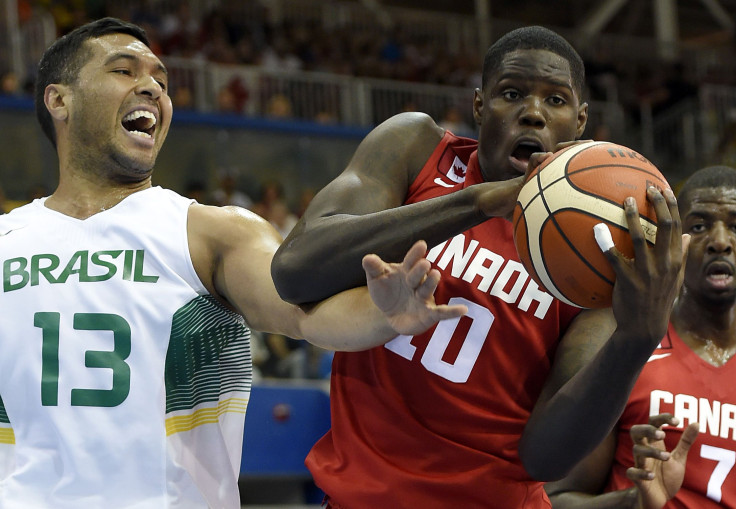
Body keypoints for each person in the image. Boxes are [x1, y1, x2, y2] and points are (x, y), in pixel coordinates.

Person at [0, 18, 467, 508]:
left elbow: (305, 315)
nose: (152, 88)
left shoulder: (213, 232)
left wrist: (382, 316)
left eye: (160, 80)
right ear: (59, 100)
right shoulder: (8, 240)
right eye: (123, 70)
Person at [271, 25, 688, 508]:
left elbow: (546, 459)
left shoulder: (595, 252)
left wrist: (636, 338)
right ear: (479, 106)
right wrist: (475, 203)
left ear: (579, 123)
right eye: (512, 94)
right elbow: (294, 269)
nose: (532, 112)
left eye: (556, 101)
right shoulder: (417, 149)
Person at [546, 165, 736, 508]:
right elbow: (554, 500)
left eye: (735, 227)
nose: (720, 242)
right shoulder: (627, 349)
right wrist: (635, 501)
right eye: (699, 226)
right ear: (674, 243)